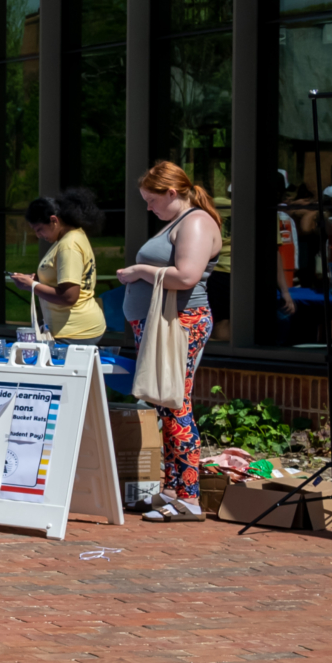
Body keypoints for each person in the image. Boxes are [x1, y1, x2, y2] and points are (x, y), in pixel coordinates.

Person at [116, 162, 223, 522]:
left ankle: (189, 497)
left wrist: (139, 272)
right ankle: (172, 489)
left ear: (171, 193)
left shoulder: (194, 222)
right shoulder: (180, 222)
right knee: (165, 402)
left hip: (179, 322)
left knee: (175, 401)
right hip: (162, 322)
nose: (148, 207)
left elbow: (187, 275)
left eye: (151, 200)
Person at [12, 189, 109, 342]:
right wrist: (38, 279)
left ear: (54, 220)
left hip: (75, 331)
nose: (38, 236)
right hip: (75, 328)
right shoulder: (72, 236)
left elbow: (69, 296)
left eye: (39, 229)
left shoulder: (68, 245)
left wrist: (32, 286)